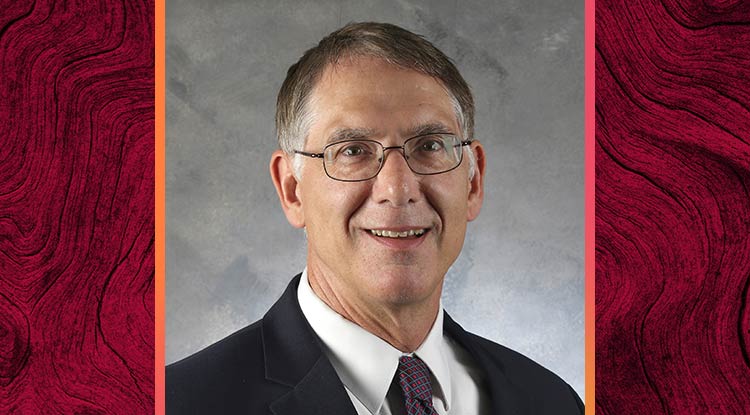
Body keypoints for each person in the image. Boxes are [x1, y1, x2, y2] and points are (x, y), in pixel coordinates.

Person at [166, 22, 583, 414]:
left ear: (472, 182)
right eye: (352, 151)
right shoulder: (180, 403)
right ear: (292, 190)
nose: (397, 189)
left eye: (430, 145)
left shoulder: (549, 400)